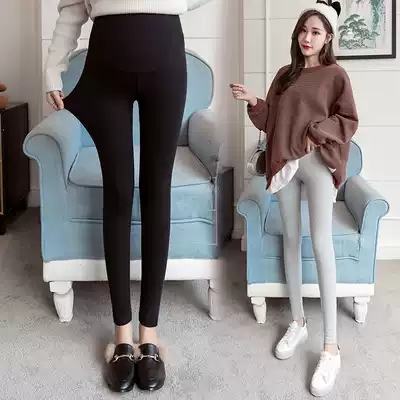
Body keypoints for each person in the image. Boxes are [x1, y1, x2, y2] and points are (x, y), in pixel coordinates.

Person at [45, 0, 212, 393]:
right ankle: (122, 335)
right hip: (107, 69)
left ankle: (149, 334)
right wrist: (53, 68)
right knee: (118, 191)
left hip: (166, 64)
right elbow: (72, 9)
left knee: (157, 191)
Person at [231, 1, 358, 397]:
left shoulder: (336, 75)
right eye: (304, 30)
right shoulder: (285, 75)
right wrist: (255, 102)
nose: (307, 37)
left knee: (320, 243)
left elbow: (348, 120)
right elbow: (272, 120)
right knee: (289, 239)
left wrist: (315, 132)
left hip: (318, 164)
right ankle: (299, 322)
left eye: (316, 32)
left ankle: (331, 347)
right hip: (285, 163)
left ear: (328, 37)